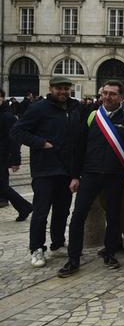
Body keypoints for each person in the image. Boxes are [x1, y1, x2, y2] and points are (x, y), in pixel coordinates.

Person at [58, 80, 124, 277]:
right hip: (90, 174)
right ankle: (73, 259)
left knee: (114, 216)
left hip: (116, 175)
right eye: (105, 93)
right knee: (78, 216)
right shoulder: (92, 116)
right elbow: (79, 147)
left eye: (112, 94)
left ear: (121, 97)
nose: (107, 97)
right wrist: (74, 176)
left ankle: (110, 252)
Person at [11, 76, 82, 268]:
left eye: (66, 88)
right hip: (45, 169)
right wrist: (41, 143)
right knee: (41, 212)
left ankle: (58, 243)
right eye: (59, 88)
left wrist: (76, 172)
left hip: (66, 170)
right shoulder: (38, 108)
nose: (63, 92)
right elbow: (18, 131)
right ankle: (37, 248)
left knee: (62, 210)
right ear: (50, 88)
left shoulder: (75, 108)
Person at [0, 88, 33, 221]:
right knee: (2, 186)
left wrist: (15, 159)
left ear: (2, 99)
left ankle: (24, 206)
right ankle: (23, 207)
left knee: (2, 186)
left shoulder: (7, 116)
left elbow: (14, 138)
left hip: (2, 154)